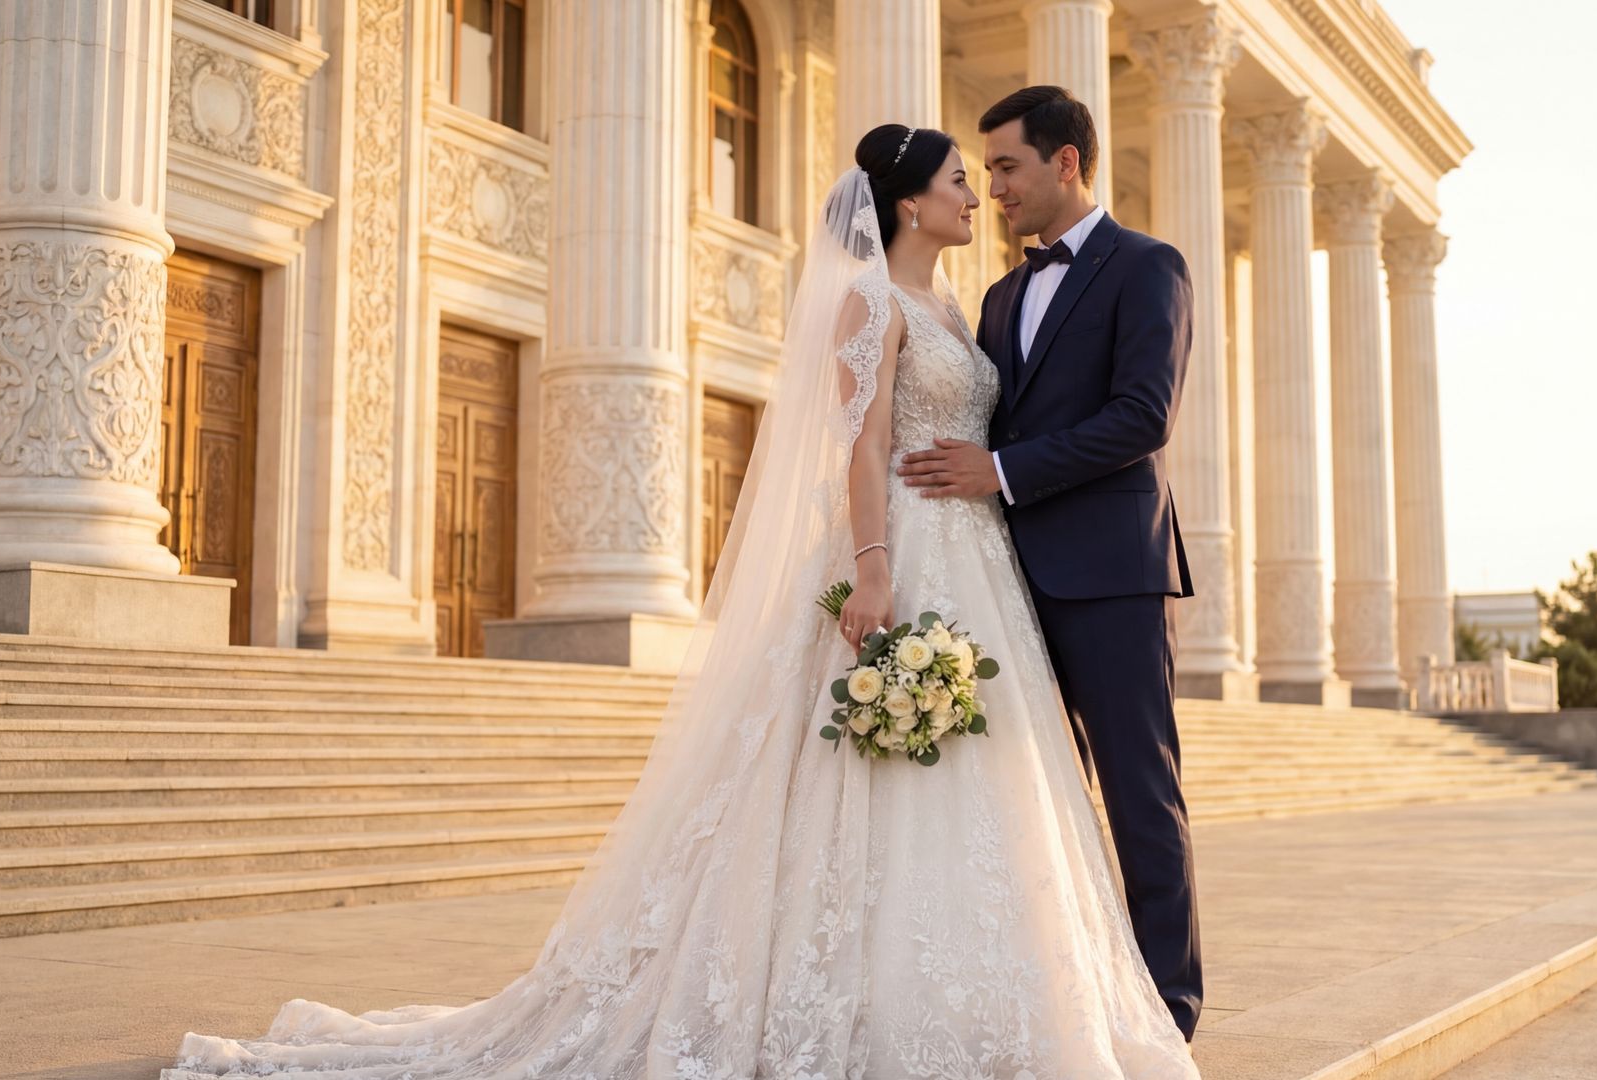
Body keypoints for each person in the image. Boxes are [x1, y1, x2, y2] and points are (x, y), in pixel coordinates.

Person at [162, 118, 1198, 1079]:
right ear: (910, 204)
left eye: (989, 176)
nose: (979, 195)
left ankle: (970, 991)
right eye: (961, 182)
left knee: (981, 782)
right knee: (870, 773)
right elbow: (859, 445)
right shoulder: (870, 302)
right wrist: (874, 563)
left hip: (979, 561)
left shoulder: (961, 308)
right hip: (906, 551)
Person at [896, 84, 1204, 1041]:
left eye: (1007, 166)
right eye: (984, 170)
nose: (994, 188)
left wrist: (1002, 471)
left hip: (1112, 572)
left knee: (1138, 791)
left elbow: (1142, 416)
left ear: (1066, 162)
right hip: (1007, 583)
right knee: (1041, 807)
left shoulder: (1150, 266)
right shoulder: (998, 293)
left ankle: (1168, 1009)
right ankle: (1081, 991)